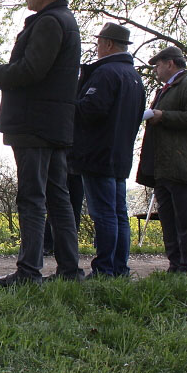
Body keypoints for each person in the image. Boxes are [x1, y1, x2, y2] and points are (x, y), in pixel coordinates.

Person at [0, 0, 84, 286]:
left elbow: (31, 70)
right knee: (58, 198)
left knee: (33, 197)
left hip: (34, 124)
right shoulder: (65, 21)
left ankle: (29, 271)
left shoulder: (50, 22)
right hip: (53, 125)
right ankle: (68, 269)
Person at [70, 22, 145, 278]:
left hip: (97, 154)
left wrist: (70, 102)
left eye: (100, 41)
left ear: (109, 44)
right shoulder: (134, 77)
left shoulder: (106, 73)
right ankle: (119, 267)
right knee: (118, 214)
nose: (98, 45)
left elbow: (90, 110)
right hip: (121, 155)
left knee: (103, 214)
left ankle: (104, 270)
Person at [136, 45, 187, 275]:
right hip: (163, 168)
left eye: (158, 65)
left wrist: (163, 116)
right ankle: (175, 265)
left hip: (182, 166)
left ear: (170, 63)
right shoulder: (164, 90)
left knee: (186, 220)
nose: (156, 70)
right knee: (168, 220)